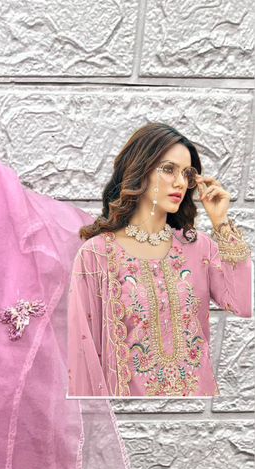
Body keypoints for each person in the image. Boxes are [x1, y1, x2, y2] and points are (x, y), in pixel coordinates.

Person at [67, 121, 252, 396]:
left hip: (193, 406)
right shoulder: (97, 255)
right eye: (168, 169)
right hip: (131, 411)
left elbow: (244, 304)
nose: (181, 182)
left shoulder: (198, 247)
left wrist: (221, 222)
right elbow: (83, 355)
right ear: (140, 170)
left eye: (187, 174)